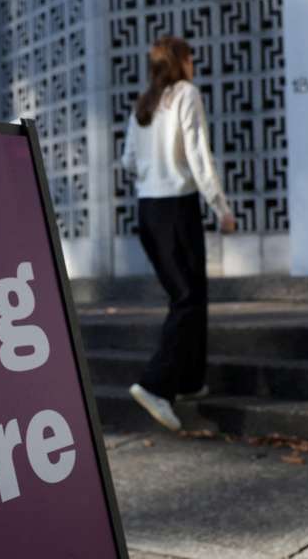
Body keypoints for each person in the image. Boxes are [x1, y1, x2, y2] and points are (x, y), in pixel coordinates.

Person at [121, 36, 237, 431]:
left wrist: (156, 167)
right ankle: (156, 385)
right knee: (188, 299)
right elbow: (198, 153)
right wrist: (220, 207)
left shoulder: (144, 102)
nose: (193, 65)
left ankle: (190, 380)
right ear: (181, 61)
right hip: (176, 207)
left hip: (148, 210)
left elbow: (128, 161)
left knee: (187, 294)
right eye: (191, 58)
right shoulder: (186, 94)